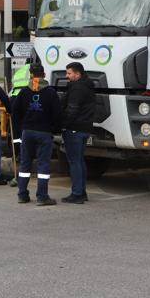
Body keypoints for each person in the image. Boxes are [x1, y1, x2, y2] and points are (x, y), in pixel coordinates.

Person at [11, 63, 61, 206]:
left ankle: (22, 195)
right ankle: (42, 197)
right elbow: (57, 114)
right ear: (44, 75)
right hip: (44, 132)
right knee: (43, 165)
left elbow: (15, 113)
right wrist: (54, 128)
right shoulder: (50, 93)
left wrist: (22, 127)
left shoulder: (24, 92)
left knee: (25, 164)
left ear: (31, 75)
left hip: (27, 132)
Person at [60, 61, 96, 204]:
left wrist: (63, 124)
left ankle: (77, 194)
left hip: (74, 128)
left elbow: (72, 109)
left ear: (77, 73)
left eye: (69, 73)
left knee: (75, 162)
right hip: (84, 128)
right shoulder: (88, 86)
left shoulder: (77, 88)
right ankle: (82, 191)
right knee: (79, 161)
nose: (67, 76)